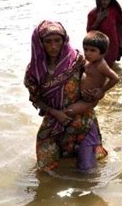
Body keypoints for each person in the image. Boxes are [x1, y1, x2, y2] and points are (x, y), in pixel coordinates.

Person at [24, 20, 108, 172]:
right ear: (39, 43)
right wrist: (56, 113)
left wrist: (94, 96)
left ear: (64, 40)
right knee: (45, 170)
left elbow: (95, 95)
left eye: (58, 41)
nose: (53, 46)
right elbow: (36, 99)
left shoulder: (78, 62)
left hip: (83, 120)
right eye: (48, 42)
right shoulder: (34, 72)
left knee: (87, 171)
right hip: (54, 122)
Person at [65, 30, 119, 117]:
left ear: (103, 53)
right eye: (85, 49)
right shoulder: (88, 61)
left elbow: (115, 78)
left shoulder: (101, 65)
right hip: (80, 95)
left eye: (92, 50)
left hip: (89, 100)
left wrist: (102, 90)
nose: (87, 53)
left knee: (69, 112)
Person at [87, 0, 122, 66]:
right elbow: (89, 32)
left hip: (113, 44)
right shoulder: (92, 14)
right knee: (99, 68)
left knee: (111, 66)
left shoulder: (113, 11)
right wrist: (98, 19)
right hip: (100, 46)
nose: (105, 2)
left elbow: (121, 24)